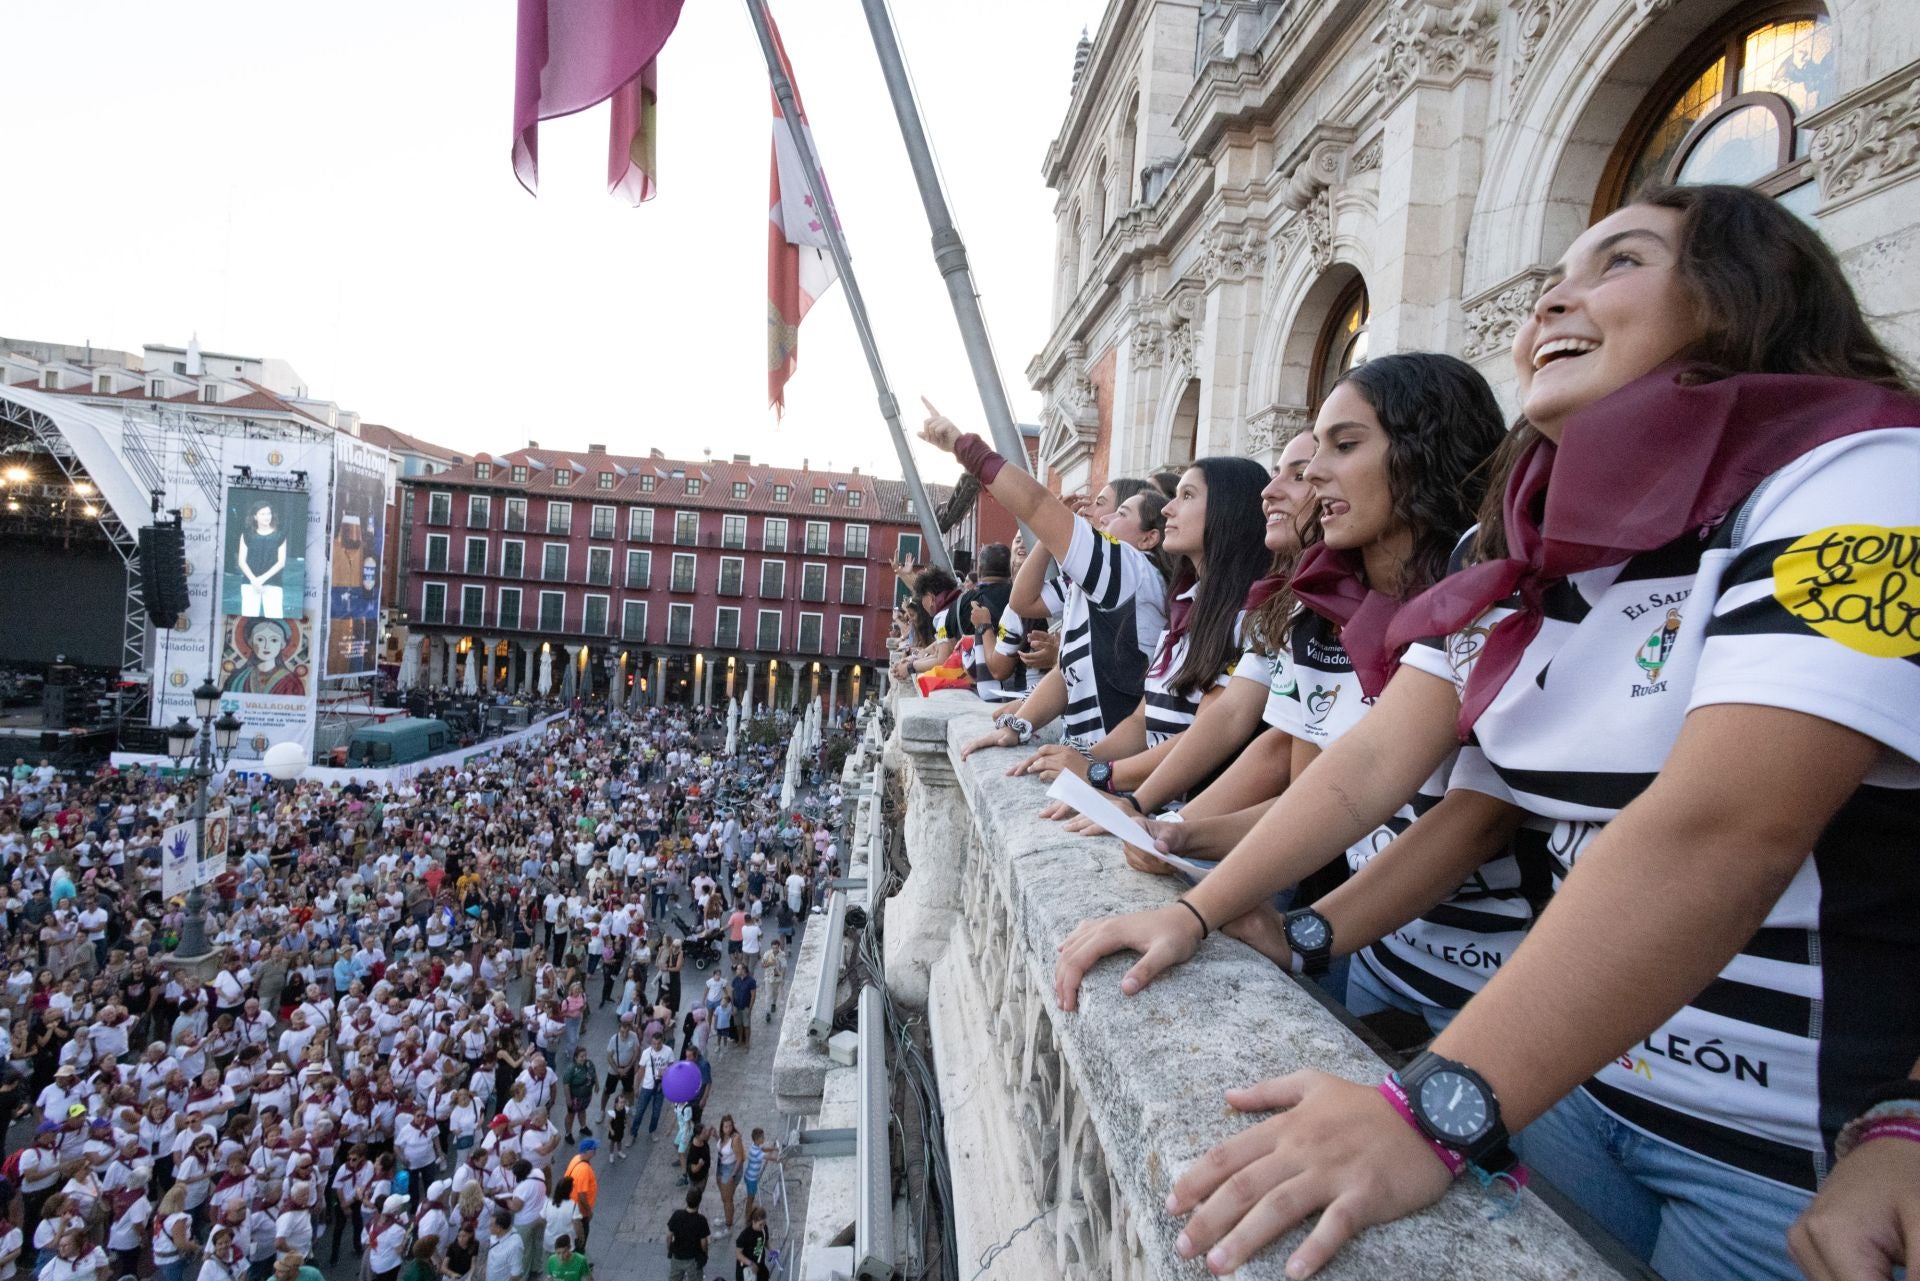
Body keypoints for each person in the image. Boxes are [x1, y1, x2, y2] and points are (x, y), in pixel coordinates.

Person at [1057, 184, 1920, 1281]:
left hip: (1784, 1158)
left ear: (1743, 299)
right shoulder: (1514, 547)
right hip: (1573, 1086)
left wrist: (1433, 1111)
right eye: (1556, 270)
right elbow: (1371, 764)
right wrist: (1195, 911)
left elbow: (1723, 828)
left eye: (1621, 261)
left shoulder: (1862, 477)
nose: (1557, 293)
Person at [664, 1190, 708, 1281]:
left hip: (677, 1256)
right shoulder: (701, 1220)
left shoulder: (677, 1215)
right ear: (699, 1202)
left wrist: (669, 1249)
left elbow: (669, 1236)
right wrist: (705, 1254)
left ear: (686, 1200)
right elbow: (704, 1243)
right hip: (693, 1258)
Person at [483, 1210, 523, 1281]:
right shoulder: (494, 1235)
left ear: (499, 1228)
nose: (488, 1226)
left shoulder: (515, 1246)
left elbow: (515, 1275)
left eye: (491, 1224)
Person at [733, 1207, 771, 1281]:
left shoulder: (764, 1228)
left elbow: (765, 1241)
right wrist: (750, 1263)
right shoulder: (745, 1235)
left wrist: (772, 1250)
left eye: (764, 1224)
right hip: (746, 1269)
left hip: (760, 1265)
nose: (763, 1227)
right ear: (753, 1221)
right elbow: (738, 1254)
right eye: (760, 1224)